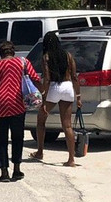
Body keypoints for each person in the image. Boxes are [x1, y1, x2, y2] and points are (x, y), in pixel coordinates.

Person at [0, 40, 41, 181]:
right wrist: (42, 93)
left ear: (0, 53)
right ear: (13, 52)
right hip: (17, 105)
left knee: (1, 139)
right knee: (17, 137)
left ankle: (4, 172)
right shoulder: (23, 62)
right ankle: (17, 169)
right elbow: (35, 78)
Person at [33, 31, 81, 166]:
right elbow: (74, 77)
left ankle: (40, 151)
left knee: (41, 120)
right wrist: (78, 97)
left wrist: (43, 96)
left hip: (54, 87)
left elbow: (47, 78)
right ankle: (71, 159)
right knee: (67, 125)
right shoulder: (68, 56)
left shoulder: (46, 57)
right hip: (67, 87)